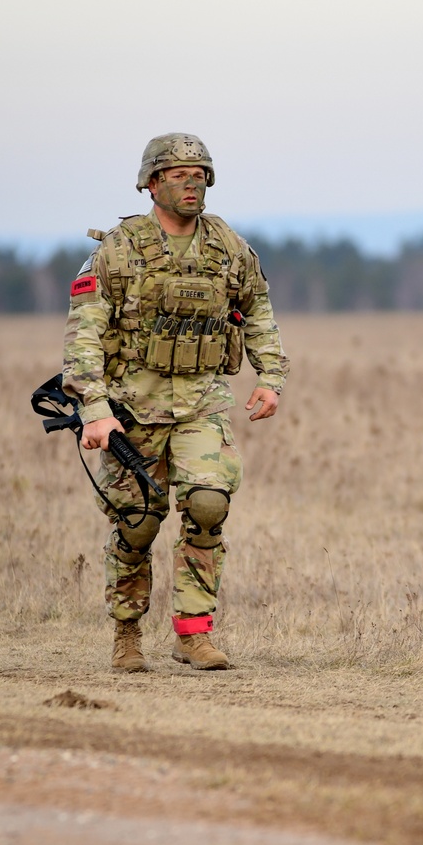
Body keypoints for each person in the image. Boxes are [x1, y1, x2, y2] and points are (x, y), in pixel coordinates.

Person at [62, 133, 290, 672]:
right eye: (179, 174)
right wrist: (93, 407)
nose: (192, 183)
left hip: (202, 402)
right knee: (138, 520)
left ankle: (193, 635)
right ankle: (126, 633)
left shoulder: (227, 247)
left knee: (209, 506)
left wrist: (271, 377)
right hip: (131, 407)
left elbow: (257, 310)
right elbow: (84, 335)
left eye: (200, 174)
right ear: (151, 182)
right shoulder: (118, 250)